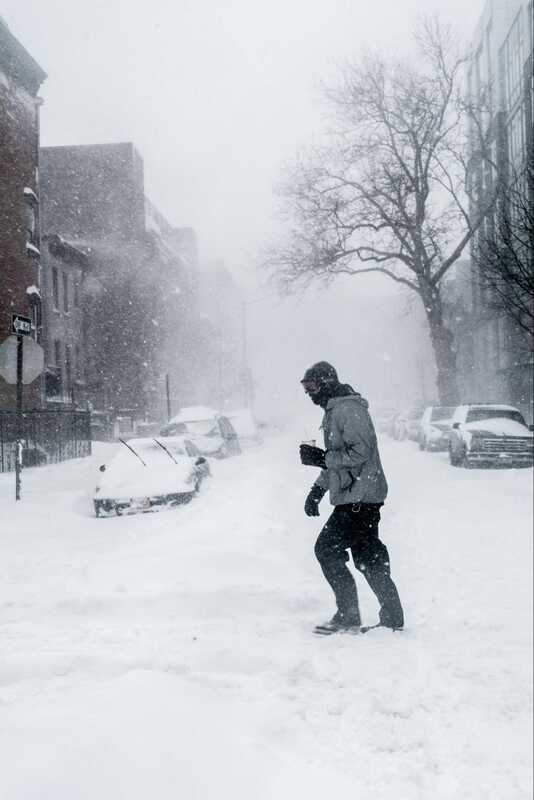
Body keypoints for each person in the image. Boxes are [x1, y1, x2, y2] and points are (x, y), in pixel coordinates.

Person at [299, 361, 404, 635]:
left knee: (326, 549)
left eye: (312, 387)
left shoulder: (348, 409)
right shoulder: (335, 410)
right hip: (358, 496)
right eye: (305, 388)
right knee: (368, 557)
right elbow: (338, 461)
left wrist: (323, 458)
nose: (309, 393)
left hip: (360, 498)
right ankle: (392, 617)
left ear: (326, 383)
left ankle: (349, 614)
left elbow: (361, 453)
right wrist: (317, 490)